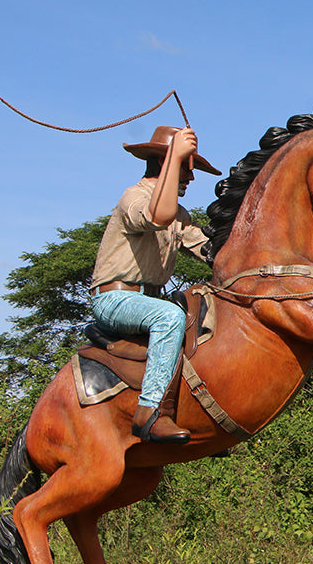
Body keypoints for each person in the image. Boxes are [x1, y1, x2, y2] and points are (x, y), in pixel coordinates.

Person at [89, 125, 221, 443]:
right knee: (170, 317)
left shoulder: (179, 215)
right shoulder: (133, 197)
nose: (190, 179)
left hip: (151, 300)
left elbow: (211, 251)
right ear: (166, 165)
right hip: (115, 300)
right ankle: (149, 412)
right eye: (186, 169)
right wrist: (176, 154)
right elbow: (156, 216)